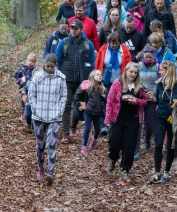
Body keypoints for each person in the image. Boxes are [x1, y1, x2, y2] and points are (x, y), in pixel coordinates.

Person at [104, 62, 148, 182]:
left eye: (135, 72)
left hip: (132, 119)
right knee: (114, 143)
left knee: (129, 145)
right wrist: (107, 119)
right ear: (126, 71)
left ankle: (125, 169)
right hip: (117, 118)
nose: (133, 74)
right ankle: (113, 158)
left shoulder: (139, 86)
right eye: (131, 72)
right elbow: (110, 101)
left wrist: (136, 101)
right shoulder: (117, 84)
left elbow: (144, 101)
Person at [28, 54, 67, 185]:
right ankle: (40, 169)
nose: (50, 69)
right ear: (44, 64)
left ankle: (51, 172)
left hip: (54, 116)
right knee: (40, 145)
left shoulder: (61, 78)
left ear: (55, 66)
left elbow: (63, 96)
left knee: (51, 143)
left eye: (52, 66)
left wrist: (59, 111)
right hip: (39, 116)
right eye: (48, 66)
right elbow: (31, 94)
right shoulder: (37, 76)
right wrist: (34, 108)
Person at [56, 19, 96, 143]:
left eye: (76, 28)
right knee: (66, 105)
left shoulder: (88, 44)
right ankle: (66, 133)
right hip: (66, 80)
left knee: (78, 106)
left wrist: (90, 79)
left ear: (81, 30)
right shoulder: (64, 43)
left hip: (82, 81)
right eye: (71, 28)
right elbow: (58, 60)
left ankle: (73, 128)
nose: (73, 30)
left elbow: (92, 63)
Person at [149, 60, 177, 183]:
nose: (159, 72)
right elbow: (158, 101)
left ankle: (166, 172)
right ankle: (156, 172)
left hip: (174, 119)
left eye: (161, 70)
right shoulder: (159, 84)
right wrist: (153, 98)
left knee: (171, 145)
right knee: (158, 144)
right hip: (160, 117)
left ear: (168, 71)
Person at [74, 70, 107, 156]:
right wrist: (78, 105)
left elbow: (104, 100)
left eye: (101, 75)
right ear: (92, 76)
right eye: (98, 74)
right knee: (87, 128)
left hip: (97, 112)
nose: (100, 76)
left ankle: (94, 140)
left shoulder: (102, 88)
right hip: (87, 111)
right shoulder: (86, 85)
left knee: (98, 130)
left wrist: (104, 99)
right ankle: (84, 147)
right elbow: (76, 95)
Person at [134, 45, 159, 160]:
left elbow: (160, 82)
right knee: (138, 124)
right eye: (146, 57)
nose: (148, 59)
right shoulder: (138, 66)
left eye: (150, 57)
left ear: (153, 56)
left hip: (151, 99)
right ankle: (136, 149)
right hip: (140, 97)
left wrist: (155, 96)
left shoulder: (158, 67)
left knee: (149, 124)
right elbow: (133, 80)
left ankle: (147, 141)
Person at [14, 53, 37, 130]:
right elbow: (16, 76)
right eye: (30, 61)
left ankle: (32, 122)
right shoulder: (23, 68)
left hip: (32, 90)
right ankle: (26, 119)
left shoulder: (35, 70)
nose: (31, 63)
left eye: (33, 61)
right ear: (28, 60)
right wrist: (20, 81)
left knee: (32, 105)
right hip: (24, 89)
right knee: (24, 103)